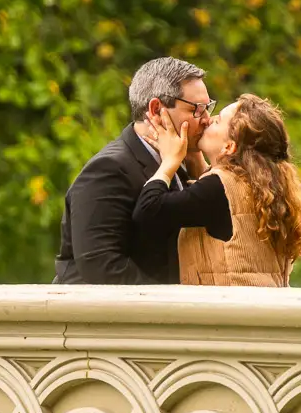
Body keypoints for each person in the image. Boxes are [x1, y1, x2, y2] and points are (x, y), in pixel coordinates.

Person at [53, 57, 216, 284]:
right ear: (157, 109)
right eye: (196, 110)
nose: (207, 119)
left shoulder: (177, 164)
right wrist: (172, 305)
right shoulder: (108, 169)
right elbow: (101, 265)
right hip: (101, 317)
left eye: (208, 108)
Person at [134, 93, 301, 287]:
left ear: (229, 146)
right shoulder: (263, 184)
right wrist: (195, 158)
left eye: (217, 121)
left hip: (230, 313)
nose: (208, 120)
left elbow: (148, 210)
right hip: (263, 311)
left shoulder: (219, 189)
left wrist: (169, 161)